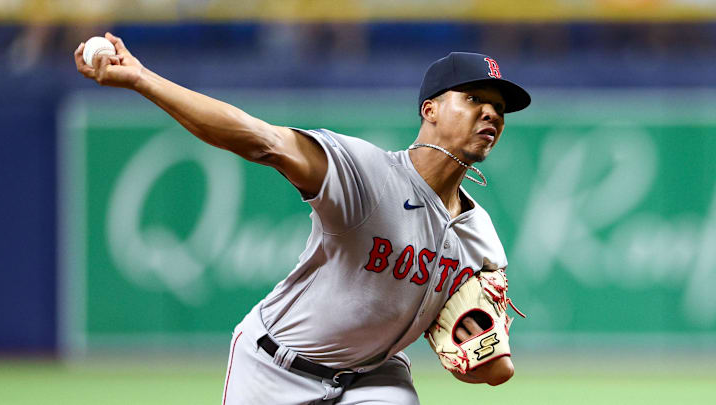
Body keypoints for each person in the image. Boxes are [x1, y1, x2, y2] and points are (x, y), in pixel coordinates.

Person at [74, 33, 531, 405]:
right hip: (274, 369)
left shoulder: (481, 238)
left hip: (374, 381)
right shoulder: (368, 175)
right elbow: (261, 140)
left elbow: (492, 372)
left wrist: (488, 356)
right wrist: (142, 80)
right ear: (429, 109)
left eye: (499, 108)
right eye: (473, 98)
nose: (490, 112)